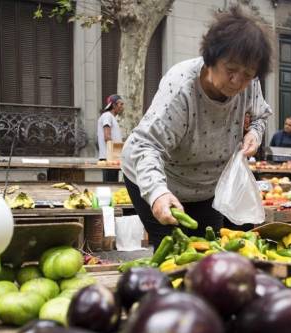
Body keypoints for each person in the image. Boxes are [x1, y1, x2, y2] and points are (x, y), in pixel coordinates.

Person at [121, 6, 272, 248]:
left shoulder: (250, 85)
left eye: (247, 74)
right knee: (172, 254)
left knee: (209, 251)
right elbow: (147, 146)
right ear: (211, 58)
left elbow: (260, 116)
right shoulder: (181, 89)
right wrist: (158, 193)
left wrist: (254, 133)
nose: (237, 82)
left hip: (206, 188)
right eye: (230, 70)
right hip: (159, 179)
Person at [97, 94, 124, 182]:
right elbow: (107, 136)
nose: (122, 107)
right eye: (121, 104)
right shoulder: (107, 116)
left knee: (112, 186)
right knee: (110, 186)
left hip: (113, 159)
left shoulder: (112, 118)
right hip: (108, 159)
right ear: (114, 105)